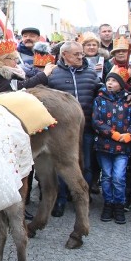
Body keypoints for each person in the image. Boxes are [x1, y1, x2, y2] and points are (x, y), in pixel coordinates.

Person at [46, 40, 101, 217]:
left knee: (86, 164)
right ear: (65, 55)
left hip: (87, 126)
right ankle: (60, 199)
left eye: (81, 54)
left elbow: (102, 92)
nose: (81, 57)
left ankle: (81, 197)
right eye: (76, 54)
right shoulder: (53, 75)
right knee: (63, 165)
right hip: (61, 130)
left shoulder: (91, 73)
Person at [92, 69, 131, 225]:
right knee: (107, 176)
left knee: (119, 177)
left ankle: (119, 204)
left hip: (122, 148)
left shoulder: (128, 100)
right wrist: (112, 134)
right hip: (104, 145)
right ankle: (108, 203)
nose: (110, 83)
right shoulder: (100, 99)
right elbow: (96, 121)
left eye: (114, 81)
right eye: (108, 80)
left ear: (121, 84)